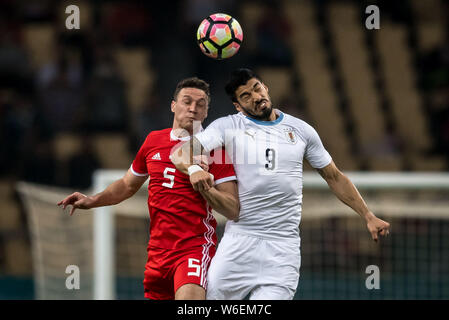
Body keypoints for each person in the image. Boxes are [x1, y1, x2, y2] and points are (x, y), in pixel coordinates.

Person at [171, 68, 391, 300]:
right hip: (239, 243)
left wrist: (367, 215)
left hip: (282, 249)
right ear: (238, 106)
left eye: (257, 88)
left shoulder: (301, 130)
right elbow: (180, 153)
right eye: (245, 96)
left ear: (265, 87)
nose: (256, 97)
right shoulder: (227, 127)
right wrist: (194, 168)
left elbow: (334, 176)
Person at [58, 77, 239, 300]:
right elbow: (126, 185)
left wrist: (204, 187)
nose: (193, 109)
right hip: (157, 253)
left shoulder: (216, 150)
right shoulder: (154, 141)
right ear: (174, 106)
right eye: (187, 101)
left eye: (200, 104)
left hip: (194, 247)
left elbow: (232, 208)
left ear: (206, 112)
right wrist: (93, 200)